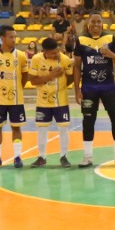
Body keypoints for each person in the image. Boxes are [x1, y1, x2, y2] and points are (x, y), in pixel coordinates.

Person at [72, 13, 115, 168]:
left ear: (102, 24)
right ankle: (87, 156)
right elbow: (77, 67)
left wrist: (110, 54)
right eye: (93, 22)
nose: (96, 24)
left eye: (99, 22)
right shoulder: (81, 40)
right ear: (88, 24)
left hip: (108, 86)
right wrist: (77, 90)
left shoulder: (110, 39)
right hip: (89, 88)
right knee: (88, 120)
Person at [0, 26, 28, 169]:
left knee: (16, 127)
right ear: (2, 38)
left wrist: (17, 88)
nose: (14, 39)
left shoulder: (21, 55)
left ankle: (17, 157)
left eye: (15, 37)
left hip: (16, 99)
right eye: (11, 37)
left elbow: (24, 76)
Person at [28, 37, 74, 167]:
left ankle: (64, 156)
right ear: (45, 52)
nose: (56, 54)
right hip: (43, 101)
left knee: (63, 128)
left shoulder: (64, 59)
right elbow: (33, 81)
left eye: (57, 51)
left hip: (61, 101)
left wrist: (62, 86)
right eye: (53, 53)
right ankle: (41, 157)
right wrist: (50, 76)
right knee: (42, 129)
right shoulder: (37, 59)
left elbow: (70, 77)